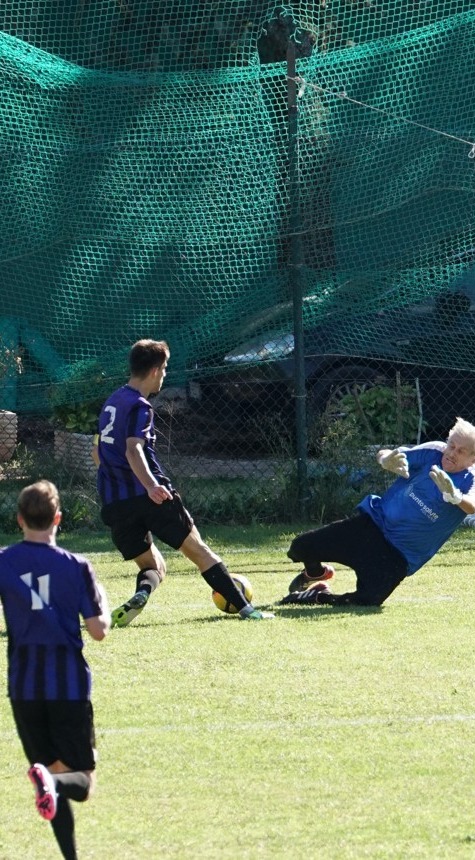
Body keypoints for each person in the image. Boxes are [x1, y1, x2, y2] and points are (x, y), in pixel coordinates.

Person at [93, 339, 271, 624]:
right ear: (153, 370)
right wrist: (150, 485)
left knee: (155, 566)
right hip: (152, 496)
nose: (164, 375)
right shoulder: (141, 406)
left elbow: (98, 451)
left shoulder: (111, 402)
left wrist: (114, 479)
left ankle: (141, 594)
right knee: (199, 552)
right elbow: (133, 448)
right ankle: (247, 610)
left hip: (115, 503)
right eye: (164, 369)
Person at [0, 480, 111, 860]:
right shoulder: (76, 566)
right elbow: (98, 631)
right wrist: (106, 605)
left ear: (19, 519)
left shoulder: (3, 561)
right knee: (78, 783)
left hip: (24, 687)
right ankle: (52, 782)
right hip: (67, 686)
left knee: (49, 773)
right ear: (58, 518)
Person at [280, 416, 475, 606]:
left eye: (461, 451)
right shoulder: (433, 452)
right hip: (372, 526)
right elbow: (388, 454)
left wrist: (455, 496)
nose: (452, 453)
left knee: (368, 600)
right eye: (451, 445)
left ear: (474, 459)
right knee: (300, 547)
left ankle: (318, 596)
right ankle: (316, 575)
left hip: (399, 555)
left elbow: (472, 505)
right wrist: (386, 460)